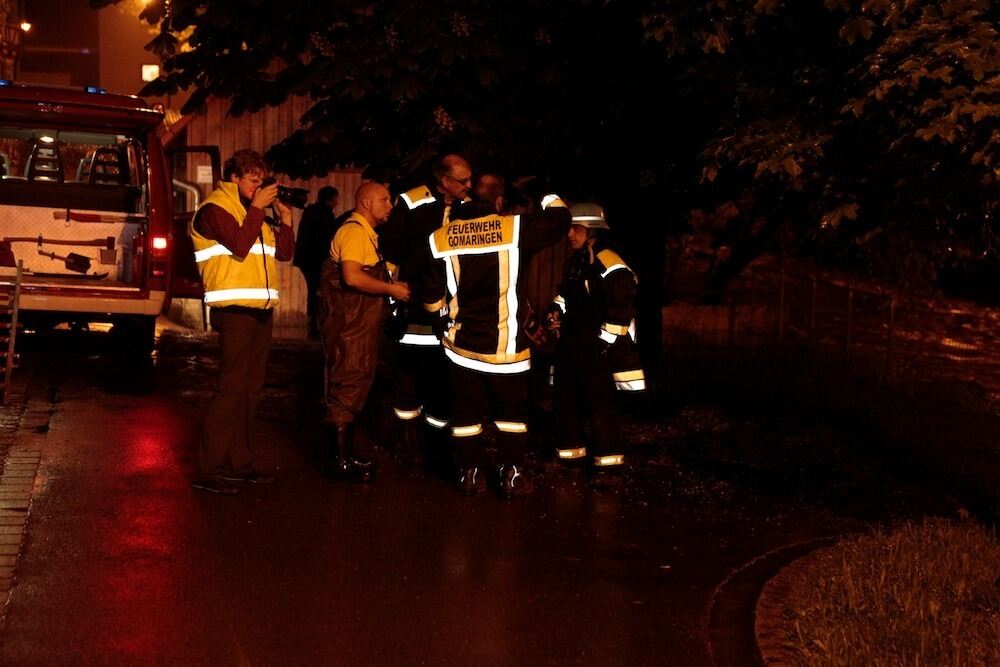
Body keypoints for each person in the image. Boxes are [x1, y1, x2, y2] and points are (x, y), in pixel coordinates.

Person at [417, 174, 570, 498]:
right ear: (498, 202)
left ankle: (470, 474)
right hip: (508, 351)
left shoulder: (439, 238)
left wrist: (441, 317)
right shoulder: (515, 229)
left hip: (462, 348)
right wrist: (544, 193)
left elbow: (431, 294)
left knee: (466, 413)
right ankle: (512, 476)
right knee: (511, 415)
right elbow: (559, 220)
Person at [189, 149, 295, 494]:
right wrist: (257, 209)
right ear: (233, 178)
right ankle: (209, 466)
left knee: (251, 389)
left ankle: (240, 461)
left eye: (262, 180)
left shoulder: (256, 213)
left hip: (260, 310)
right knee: (231, 388)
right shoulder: (214, 209)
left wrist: (287, 221)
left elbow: (283, 253)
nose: (258, 186)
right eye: (253, 180)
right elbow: (237, 245)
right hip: (233, 310)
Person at [377, 154, 472, 466]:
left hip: (455, 307)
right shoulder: (412, 202)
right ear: (443, 179)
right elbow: (389, 247)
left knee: (444, 379)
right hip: (416, 305)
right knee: (408, 375)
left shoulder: (469, 207)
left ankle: (435, 444)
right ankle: (408, 443)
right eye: (462, 180)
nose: (468, 186)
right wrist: (396, 293)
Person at [320, 182, 411, 482]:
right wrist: (391, 289)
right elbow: (352, 276)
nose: (389, 205)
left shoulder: (365, 234)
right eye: (384, 200)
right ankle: (340, 461)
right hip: (351, 326)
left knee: (355, 381)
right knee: (348, 382)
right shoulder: (355, 232)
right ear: (366, 203)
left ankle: (344, 454)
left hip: (358, 325)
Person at [549, 202, 645, 484]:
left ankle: (608, 468)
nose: (569, 235)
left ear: (592, 231)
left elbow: (622, 307)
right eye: (568, 228)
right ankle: (571, 461)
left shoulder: (609, 264)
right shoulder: (576, 262)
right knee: (566, 402)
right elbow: (566, 296)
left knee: (600, 407)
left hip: (595, 349)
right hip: (571, 344)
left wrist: (602, 342)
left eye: (575, 229)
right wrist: (556, 313)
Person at [293, 186, 339, 338]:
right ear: (329, 199)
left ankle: (313, 325)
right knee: (319, 292)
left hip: (306, 259)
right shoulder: (325, 214)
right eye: (335, 199)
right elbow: (327, 237)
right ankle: (317, 326)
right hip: (317, 259)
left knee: (313, 291)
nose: (337, 202)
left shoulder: (311, 212)